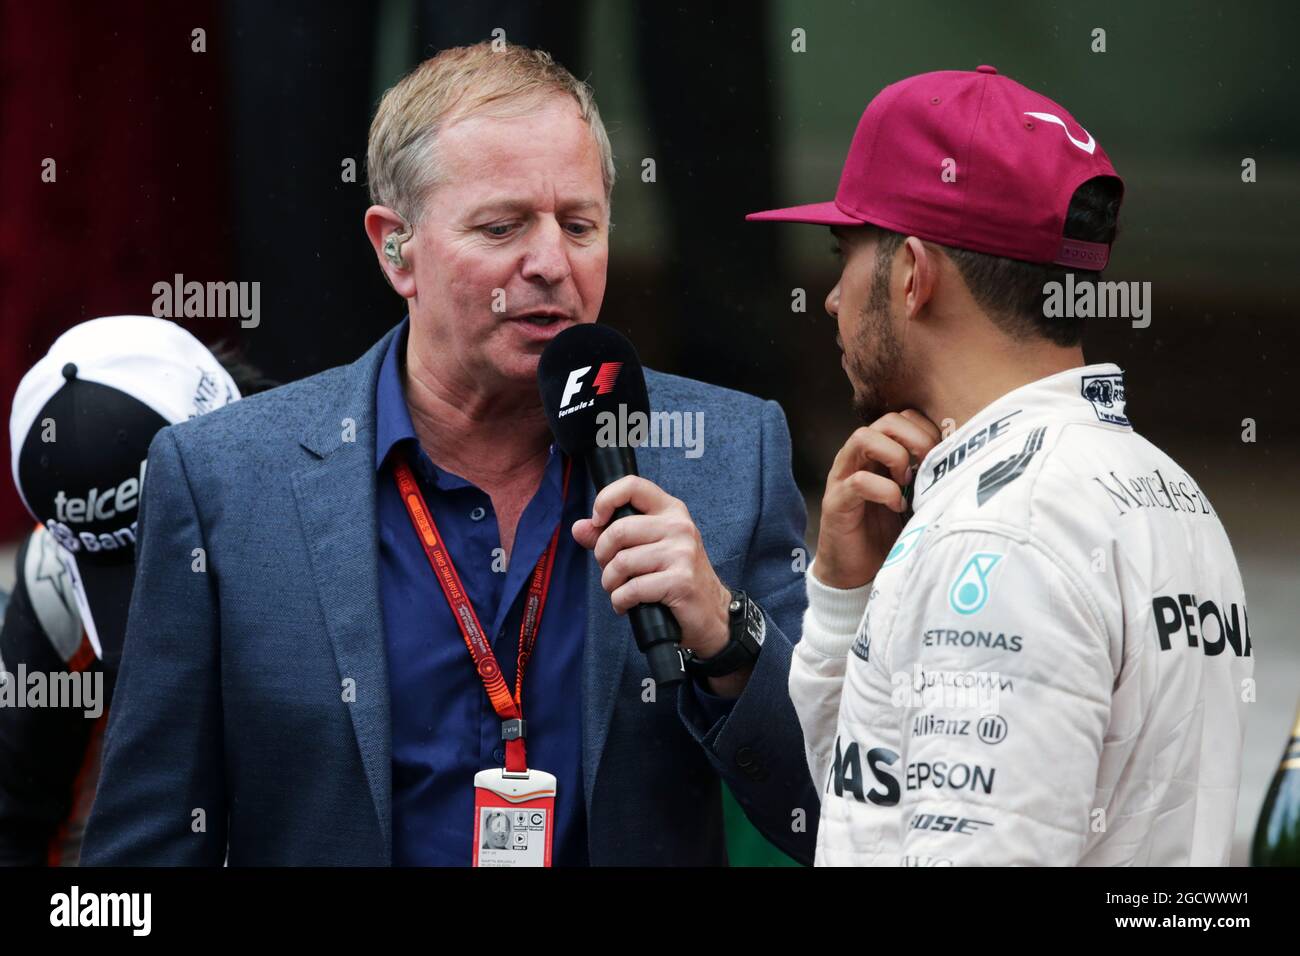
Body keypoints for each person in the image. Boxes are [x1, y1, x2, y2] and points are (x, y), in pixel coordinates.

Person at [82, 43, 817, 866]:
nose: (549, 264)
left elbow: (831, 814)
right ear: (396, 248)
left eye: (580, 225)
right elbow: (139, 862)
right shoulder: (225, 481)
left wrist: (726, 639)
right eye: (501, 227)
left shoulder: (726, 454)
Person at [749, 65, 1253, 865]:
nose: (832, 299)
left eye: (846, 252)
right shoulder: (1168, 491)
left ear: (912, 273)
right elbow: (864, 810)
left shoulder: (999, 534)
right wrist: (845, 602)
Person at [1, 316, 246, 865]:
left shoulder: (346, 504)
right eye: (116, 568)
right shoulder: (52, 581)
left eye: (168, 551)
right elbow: (13, 819)